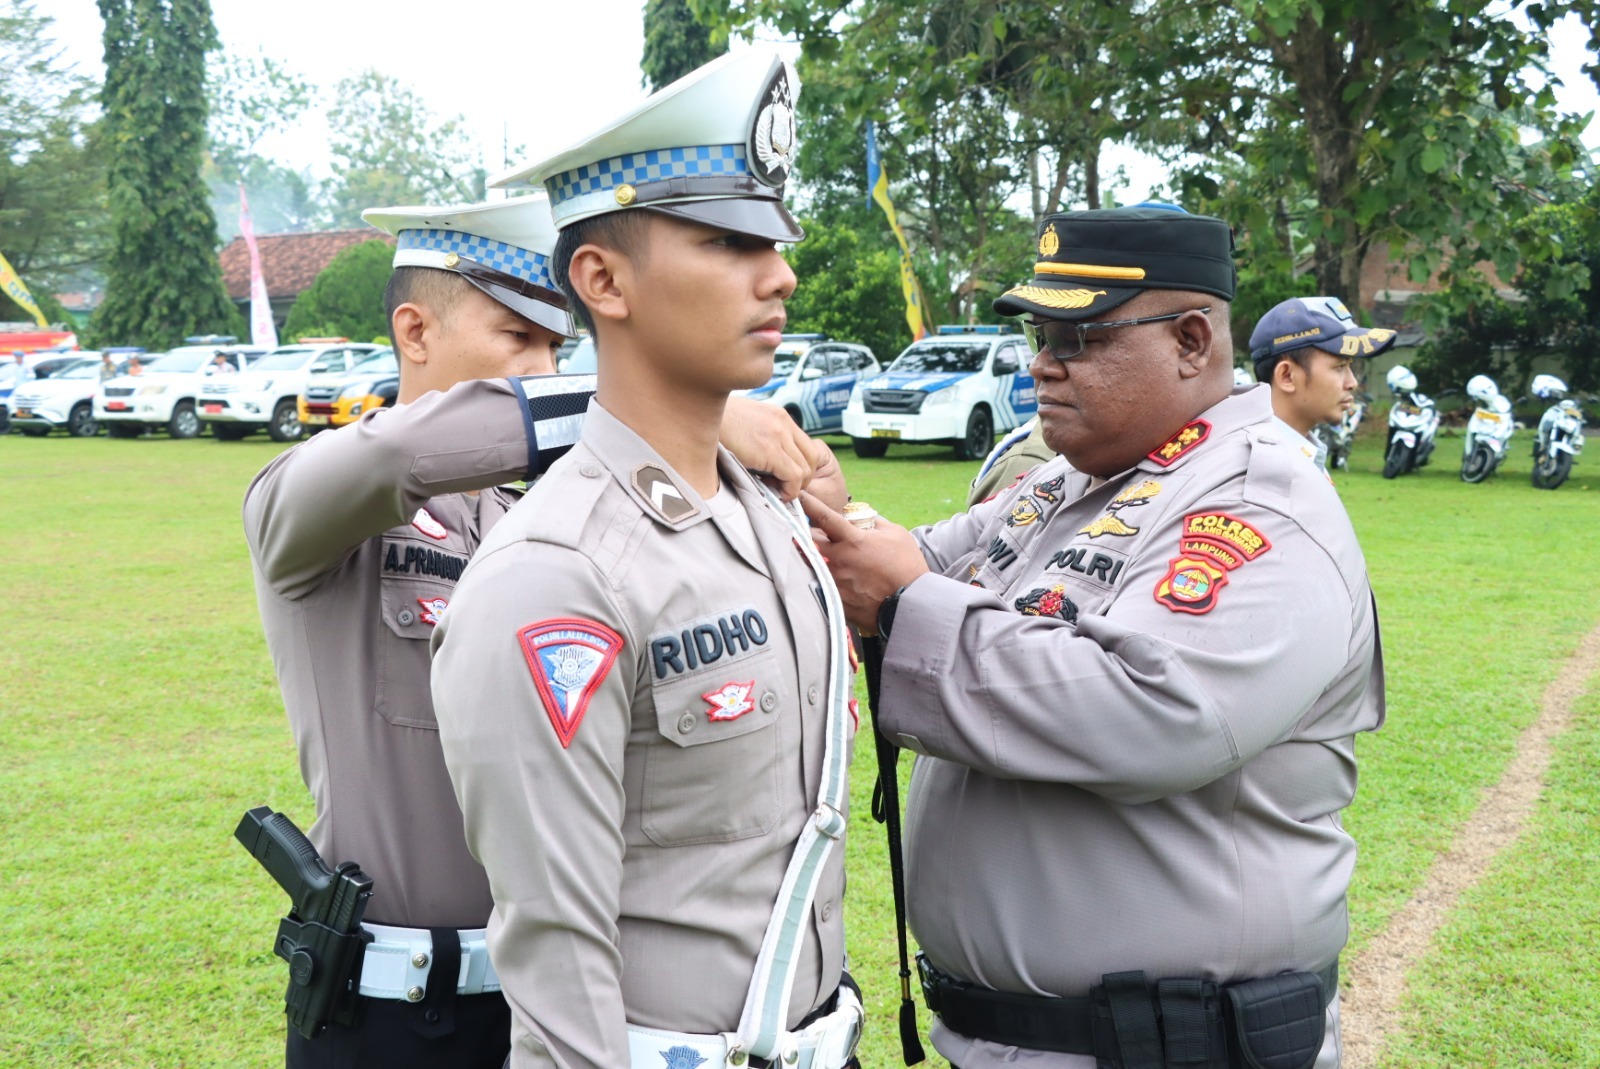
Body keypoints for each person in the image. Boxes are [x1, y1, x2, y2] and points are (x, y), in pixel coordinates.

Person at [243, 190, 826, 1069]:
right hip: (406, 1018)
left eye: (559, 345)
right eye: (520, 341)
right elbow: (400, 456)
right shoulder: (310, 506)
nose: (546, 365)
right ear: (415, 332)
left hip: (574, 1003)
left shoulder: (546, 526)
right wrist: (655, 390)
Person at [804, 205, 1385, 1069]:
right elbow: (916, 558)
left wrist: (901, 604)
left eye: (1076, 337)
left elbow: (1159, 710)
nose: (1042, 362)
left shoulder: (1258, 498)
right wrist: (820, 510)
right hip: (1026, 1039)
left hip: (1171, 1045)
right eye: (1040, 334)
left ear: (1192, 340)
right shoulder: (1073, 480)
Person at [430, 51, 863, 1069]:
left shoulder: (767, 512)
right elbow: (557, 952)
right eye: (727, 241)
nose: (781, 275)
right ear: (601, 279)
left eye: (777, 241)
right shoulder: (556, 573)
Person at [1249, 296, 1395, 473]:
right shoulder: (1260, 471)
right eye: (1339, 367)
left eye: (1349, 366)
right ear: (1287, 376)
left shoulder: (1301, 455)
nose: (1352, 383)